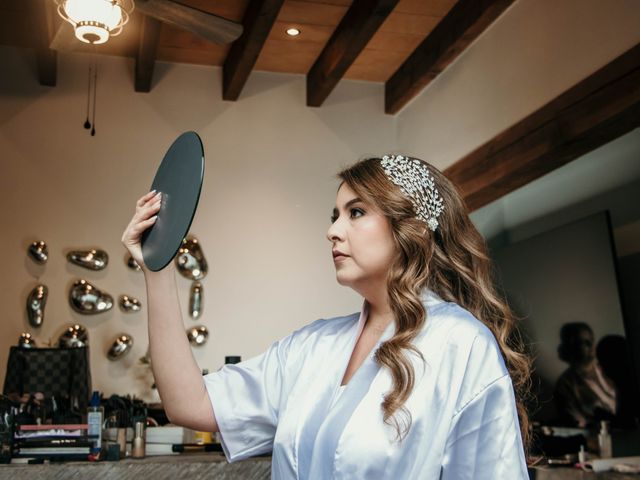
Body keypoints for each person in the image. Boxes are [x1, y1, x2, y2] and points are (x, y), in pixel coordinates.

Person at [122, 155, 531, 479]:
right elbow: (189, 404)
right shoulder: (312, 346)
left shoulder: (461, 344)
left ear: (415, 228)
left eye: (355, 213)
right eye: (334, 215)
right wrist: (156, 271)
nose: (332, 231)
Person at [554, 322, 616, 428]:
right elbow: (577, 421)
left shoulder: (608, 368)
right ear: (570, 346)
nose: (589, 346)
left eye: (590, 341)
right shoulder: (565, 384)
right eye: (580, 342)